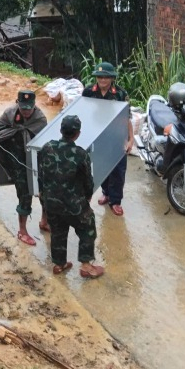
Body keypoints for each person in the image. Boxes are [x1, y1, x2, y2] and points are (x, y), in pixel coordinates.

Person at [38, 115, 104, 278]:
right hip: (72, 204)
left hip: (51, 202)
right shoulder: (80, 154)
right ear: (78, 134)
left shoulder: (47, 147)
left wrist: (43, 194)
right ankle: (86, 266)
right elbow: (88, 180)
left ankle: (59, 264)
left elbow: (40, 173)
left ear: (61, 130)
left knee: (58, 231)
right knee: (87, 225)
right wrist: (88, 197)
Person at [0, 90, 48, 246]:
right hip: (16, 159)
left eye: (29, 108)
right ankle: (22, 231)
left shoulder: (40, 119)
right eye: (23, 108)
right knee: (24, 194)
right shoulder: (10, 113)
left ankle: (45, 221)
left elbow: (46, 141)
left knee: (45, 191)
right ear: (17, 103)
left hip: (35, 159)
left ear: (34, 105)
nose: (26, 111)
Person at [82, 62, 134, 216]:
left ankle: (116, 201)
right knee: (100, 165)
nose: (102, 80)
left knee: (118, 169)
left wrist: (130, 139)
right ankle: (106, 193)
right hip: (97, 134)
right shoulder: (88, 92)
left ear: (112, 78)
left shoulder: (119, 93)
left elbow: (127, 117)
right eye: (99, 77)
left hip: (117, 135)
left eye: (106, 77)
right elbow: (84, 113)